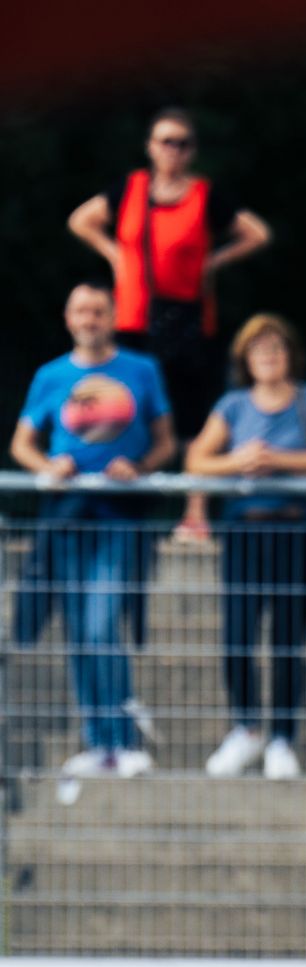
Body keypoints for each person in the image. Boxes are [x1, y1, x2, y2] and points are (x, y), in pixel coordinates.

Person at [67, 105, 271, 545]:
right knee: (127, 411)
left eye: (181, 143)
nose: (172, 150)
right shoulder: (129, 189)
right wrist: (113, 253)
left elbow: (257, 232)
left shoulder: (205, 195)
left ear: (192, 150)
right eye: (165, 141)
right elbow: (80, 220)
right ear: (150, 147)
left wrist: (214, 260)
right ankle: (121, 507)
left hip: (189, 320)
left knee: (191, 422)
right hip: (134, 319)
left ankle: (194, 513)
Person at [10, 282, 175, 777]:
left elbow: (166, 442)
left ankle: (122, 739)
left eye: (98, 310)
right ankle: (96, 741)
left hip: (119, 515)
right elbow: (22, 443)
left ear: (112, 317)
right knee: (78, 631)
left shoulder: (141, 370)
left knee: (104, 624)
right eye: (81, 310)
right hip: (66, 515)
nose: (90, 318)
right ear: (68, 317)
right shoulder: (50, 375)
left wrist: (140, 466)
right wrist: (47, 466)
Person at [186, 314, 306, 780]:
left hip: (297, 532)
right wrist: (238, 460)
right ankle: (245, 728)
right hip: (243, 533)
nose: (269, 356)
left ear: (290, 355)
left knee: (287, 641)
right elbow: (198, 458)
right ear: (246, 359)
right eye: (259, 349)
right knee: (236, 635)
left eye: (276, 348)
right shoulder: (233, 405)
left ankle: (282, 737)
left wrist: (277, 460)